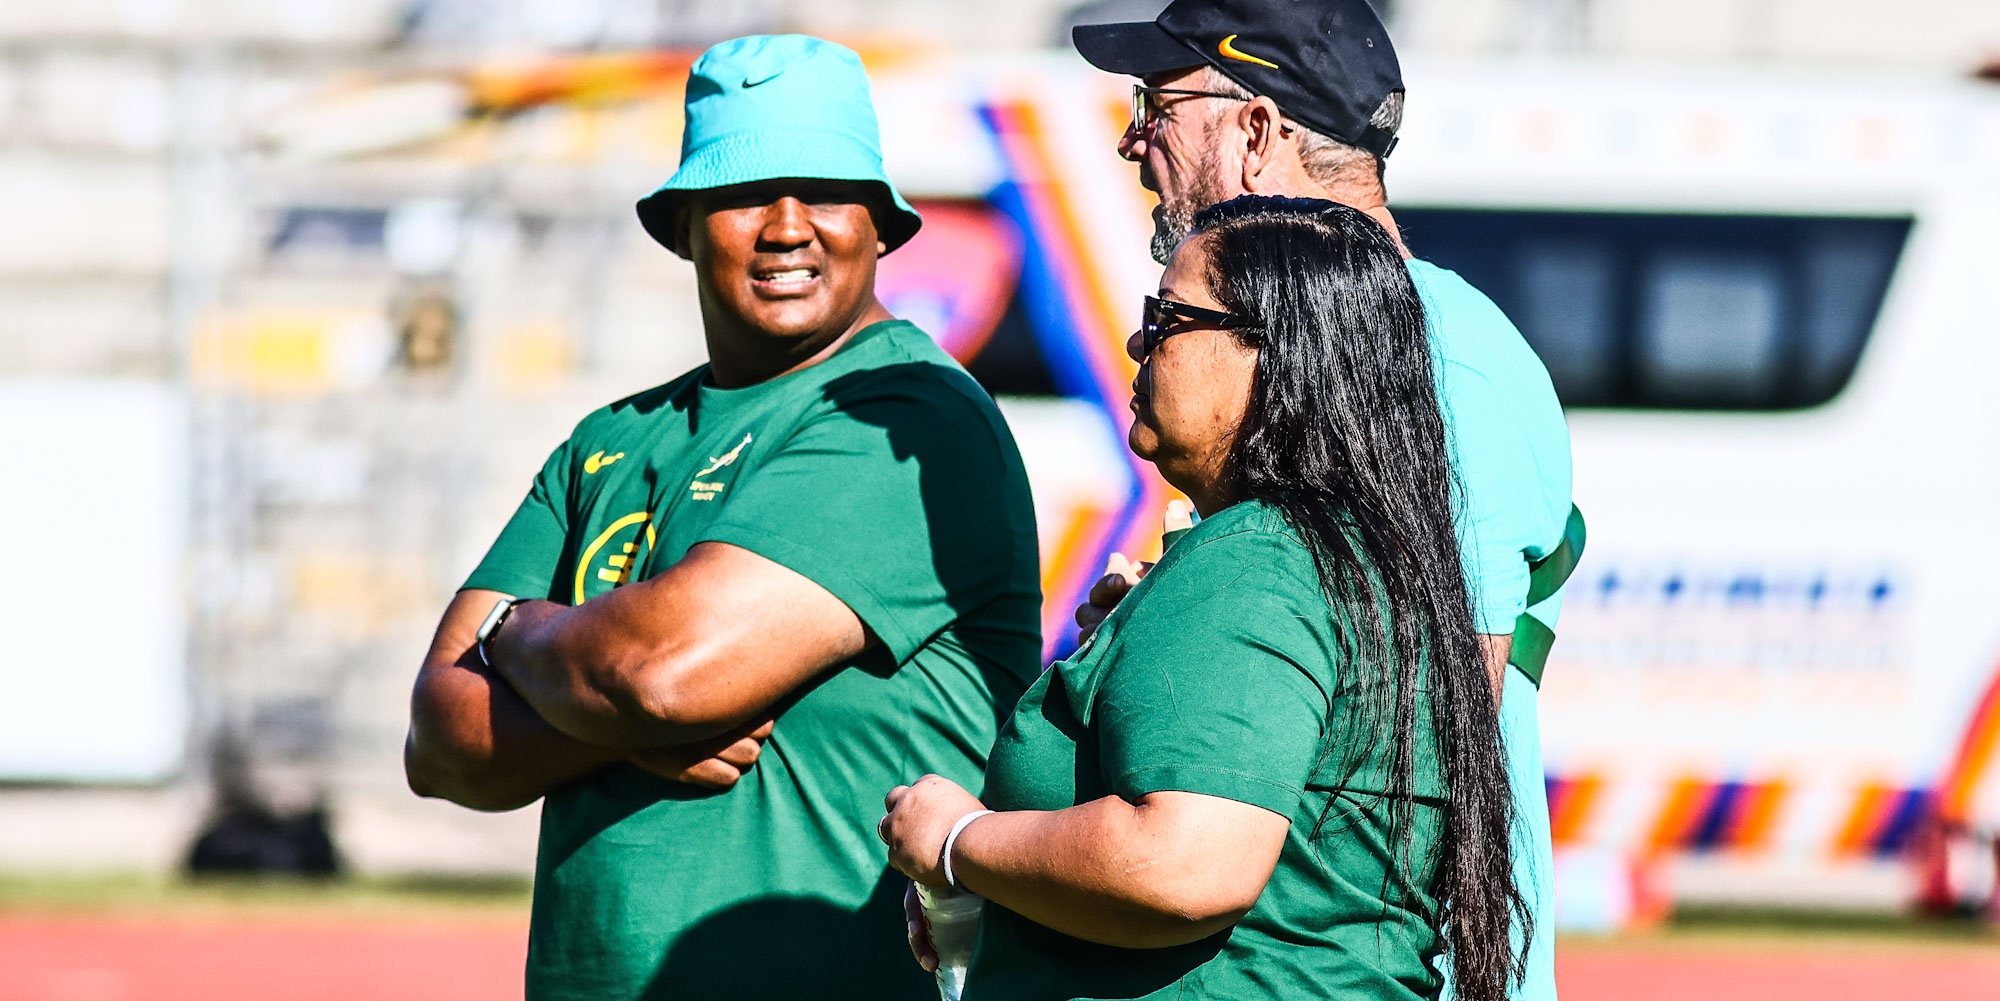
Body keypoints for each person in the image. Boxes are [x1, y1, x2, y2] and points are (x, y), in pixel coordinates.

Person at [402, 35, 1042, 1001]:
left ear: (881, 226)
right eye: (745, 194)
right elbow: (438, 742)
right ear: (683, 226)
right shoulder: (610, 439)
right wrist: (616, 718)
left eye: (824, 192)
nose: (787, 227)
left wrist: (516, 635)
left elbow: (668, 673)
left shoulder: (910, 419)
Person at [880, 196, 1527, 1001]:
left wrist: (957, 840)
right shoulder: (1349, 556)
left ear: (1276, 354)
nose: (1138, 342)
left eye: (1168, 319)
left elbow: (1184, 862)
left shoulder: (1260, 556)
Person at [1067, 3, 1576, 997]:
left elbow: (1431, 721)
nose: (1134, 140)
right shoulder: (1347, 334)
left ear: (1255, 130)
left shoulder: (1437, 351)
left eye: (1157, 104)